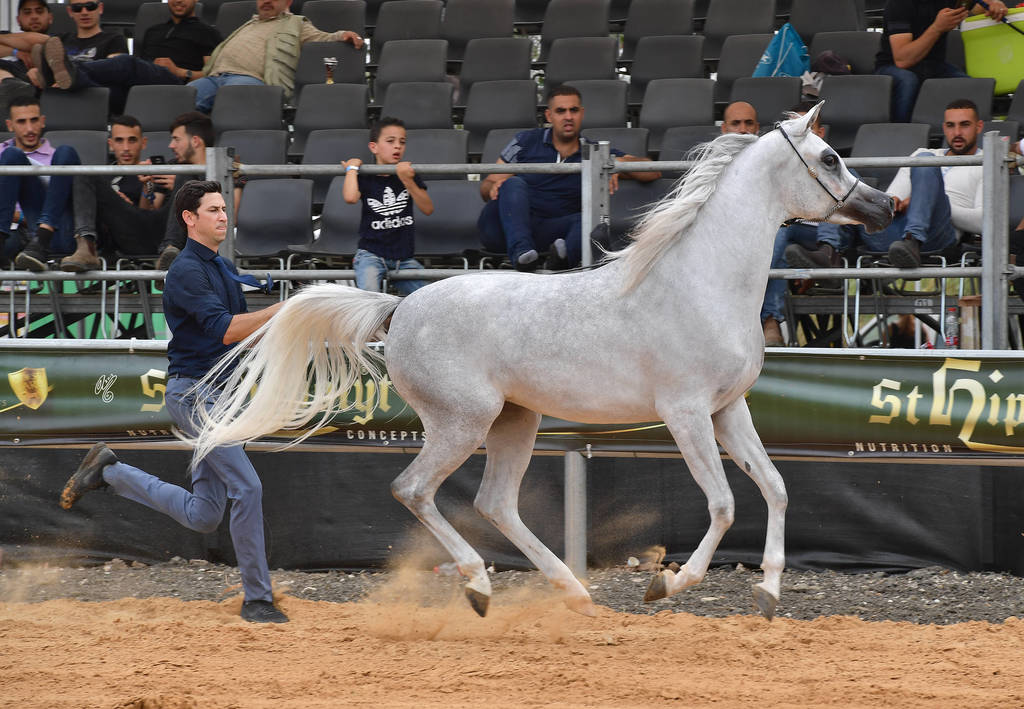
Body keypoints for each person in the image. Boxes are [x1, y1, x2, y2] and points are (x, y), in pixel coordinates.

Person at [60, 179, 288, 624]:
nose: (223, 216)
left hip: (218, 397)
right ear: (189, 218)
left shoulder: (219, 267)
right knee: (248, 487)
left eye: (224, 209)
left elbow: (246, 332)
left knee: (204, 516)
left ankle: (110, 471)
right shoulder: (187, 271)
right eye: (213, 210)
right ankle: (257, 599)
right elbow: (226, 330)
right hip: (197, 396)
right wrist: (284, 312)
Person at [788, 98, 984, 271]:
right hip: (892, 238)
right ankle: (829, 251)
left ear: (979, 126)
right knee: (844, 174)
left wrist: (925, 200)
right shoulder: (922, 152)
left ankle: (913, 241)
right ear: (944, 128)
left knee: (926, 161)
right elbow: (890, 201)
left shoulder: (985, 163)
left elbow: (982, 222)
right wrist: (896, 202)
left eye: (964, 125)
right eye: (951, 125)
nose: (957, 132)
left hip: (938, 234)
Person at [477, 85, 660, 271]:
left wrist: (615, 164)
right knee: (512, 183)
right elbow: (487, 186)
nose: (568, 117)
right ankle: (522, 254)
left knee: (588, 219)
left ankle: (560, 263)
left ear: (581, 113)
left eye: (573, 110)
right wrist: (493, 187)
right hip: (504, 229)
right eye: (560, 111)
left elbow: (652, 171)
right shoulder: (525, 142)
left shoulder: (595, 153)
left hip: (547, 232)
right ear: (549, 116)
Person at [29, 0, 223, 115]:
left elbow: (213, 76)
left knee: (125, 62)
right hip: (142, 86)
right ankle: (66, 76)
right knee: (108, 90)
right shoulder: (153, 31)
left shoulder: (207, 32)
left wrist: (181, 72)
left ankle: (70, 71)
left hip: (177, 84)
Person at [189, 0, 364, 112]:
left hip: (250, 79)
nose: (266, 2)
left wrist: (342, 34)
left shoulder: (296, 23)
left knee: (233, 104)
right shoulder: (250, 23)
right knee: (182, 99)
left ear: (287, 2)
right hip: (214, 77)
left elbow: (323, 38)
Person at [63, 115, 176, 271]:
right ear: (111, 144)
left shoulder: (154, 170)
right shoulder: (102, 177)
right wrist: (116, 202)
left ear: (143, 143)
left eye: (132, 140)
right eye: (119, 141)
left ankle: (169, 252)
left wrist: (145, 188)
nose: (126, 148)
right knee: (85, 173)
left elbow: (152, 212)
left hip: (150, 232)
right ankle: (85, 247)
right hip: (115, 236)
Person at [342, 117, 434, 294]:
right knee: (369, 299)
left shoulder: (409, 175)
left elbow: (428, 208)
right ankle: (374, 322)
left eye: (402, 142)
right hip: (371, 254)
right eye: (390, 141)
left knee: (427, 297)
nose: (398, 146)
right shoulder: (366, 176)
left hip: (404, 258)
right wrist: (352, 169)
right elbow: (350, 197)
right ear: (373, 147)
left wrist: (407, 179)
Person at [875, 0, 1008, 123]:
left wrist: (994, 4)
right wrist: (937, 28)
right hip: (892, 67)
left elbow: (978, 6)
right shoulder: (899, 4)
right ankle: (900, 134)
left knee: (971, 87)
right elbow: (902, 60)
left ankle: (972, 137)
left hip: (934, 65)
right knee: (907, 80)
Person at [155, 111, 244, 271]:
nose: (171, 145)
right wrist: (144, 188)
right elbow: (152, 208)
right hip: (165, 228)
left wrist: (182, 187)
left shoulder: (228, 166)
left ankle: (171, 251)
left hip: (206, 229)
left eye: (176, 139)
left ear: (195, 141)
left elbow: (231, 215)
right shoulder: (173, 166)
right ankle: (170, 253)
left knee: (186, 180)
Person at [0, 95, 81, 271]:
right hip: (12, 233)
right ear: (10, 125)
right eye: (22, 122)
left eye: (34, 120)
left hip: (54, 230)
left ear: (43, 121)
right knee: (11, 156)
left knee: (67, 152)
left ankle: (42, 237)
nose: (30, 129)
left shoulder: (58, 157)